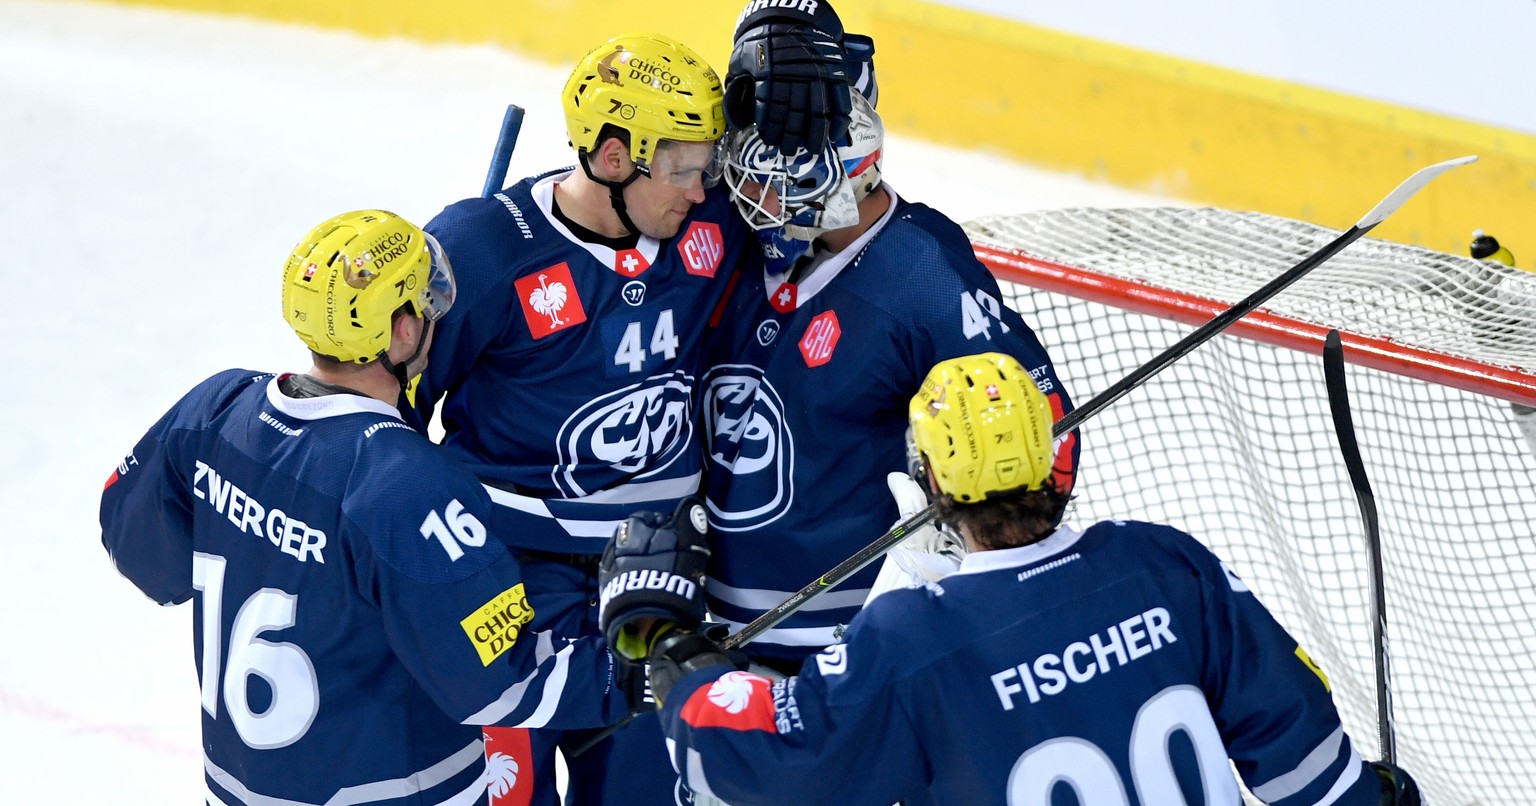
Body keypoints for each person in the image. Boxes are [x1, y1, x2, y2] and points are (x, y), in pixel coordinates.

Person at [602, 351, 1427, 806]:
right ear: (1049, 459)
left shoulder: (909, 637)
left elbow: (767, 762)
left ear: (930, 483)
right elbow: (1300, 752)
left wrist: (680, 662)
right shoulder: (1162, 564)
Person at [99, 210, 632, 805]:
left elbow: (139, 548)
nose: (438, 315)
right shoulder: (406, 485)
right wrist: (639, 669)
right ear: (402, 331)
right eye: (428, 302)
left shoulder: (216, 410)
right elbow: (498, 685)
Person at [698, 89, 1079, 672]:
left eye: (783, 180)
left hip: (850, 644)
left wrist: (964, 544)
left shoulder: (922, 271)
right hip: (709, 627)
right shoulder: (759, 247)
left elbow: (1048, 425)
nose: (754, 193)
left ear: (840, 186)